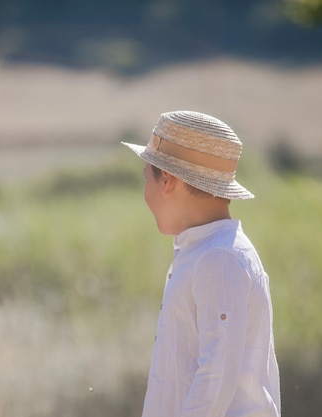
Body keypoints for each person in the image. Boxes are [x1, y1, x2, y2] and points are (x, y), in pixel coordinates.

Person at [121, 110, 281, 417]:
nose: (145, 191)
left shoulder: (217, 258)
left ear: (166, 180)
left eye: (146, 176)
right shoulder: (209, 252)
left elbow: (216, 375)